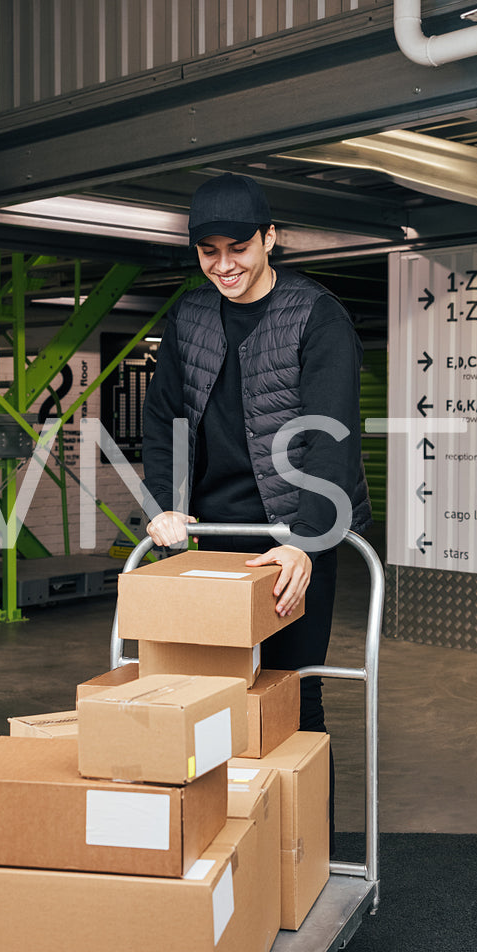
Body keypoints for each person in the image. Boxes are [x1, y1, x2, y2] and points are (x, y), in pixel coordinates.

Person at [140, 172, 371, 747]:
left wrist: (307, 541)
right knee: (207, 693)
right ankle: (234, 830)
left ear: (270, 237)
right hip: (215, 533)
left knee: (293, 696)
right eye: (208, 252)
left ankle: (304, 838)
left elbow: (331, 436)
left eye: (238, 248)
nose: (223, 265)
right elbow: (163, 417)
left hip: (294, 535)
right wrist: (167, 506)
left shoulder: (317, 315)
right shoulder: (189, 316)